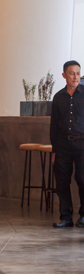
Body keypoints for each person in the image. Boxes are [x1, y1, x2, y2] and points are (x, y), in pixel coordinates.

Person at [51, 60, 84, 228]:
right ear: (64, 75)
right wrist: (54, 151)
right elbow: (54, 126)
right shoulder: (58, 97)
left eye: (78, 73)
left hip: (82, 145)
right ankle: (66, 217)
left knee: (82, 178)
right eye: (72, 73)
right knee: (62, 181)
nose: (75, 76)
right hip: (63, 145)